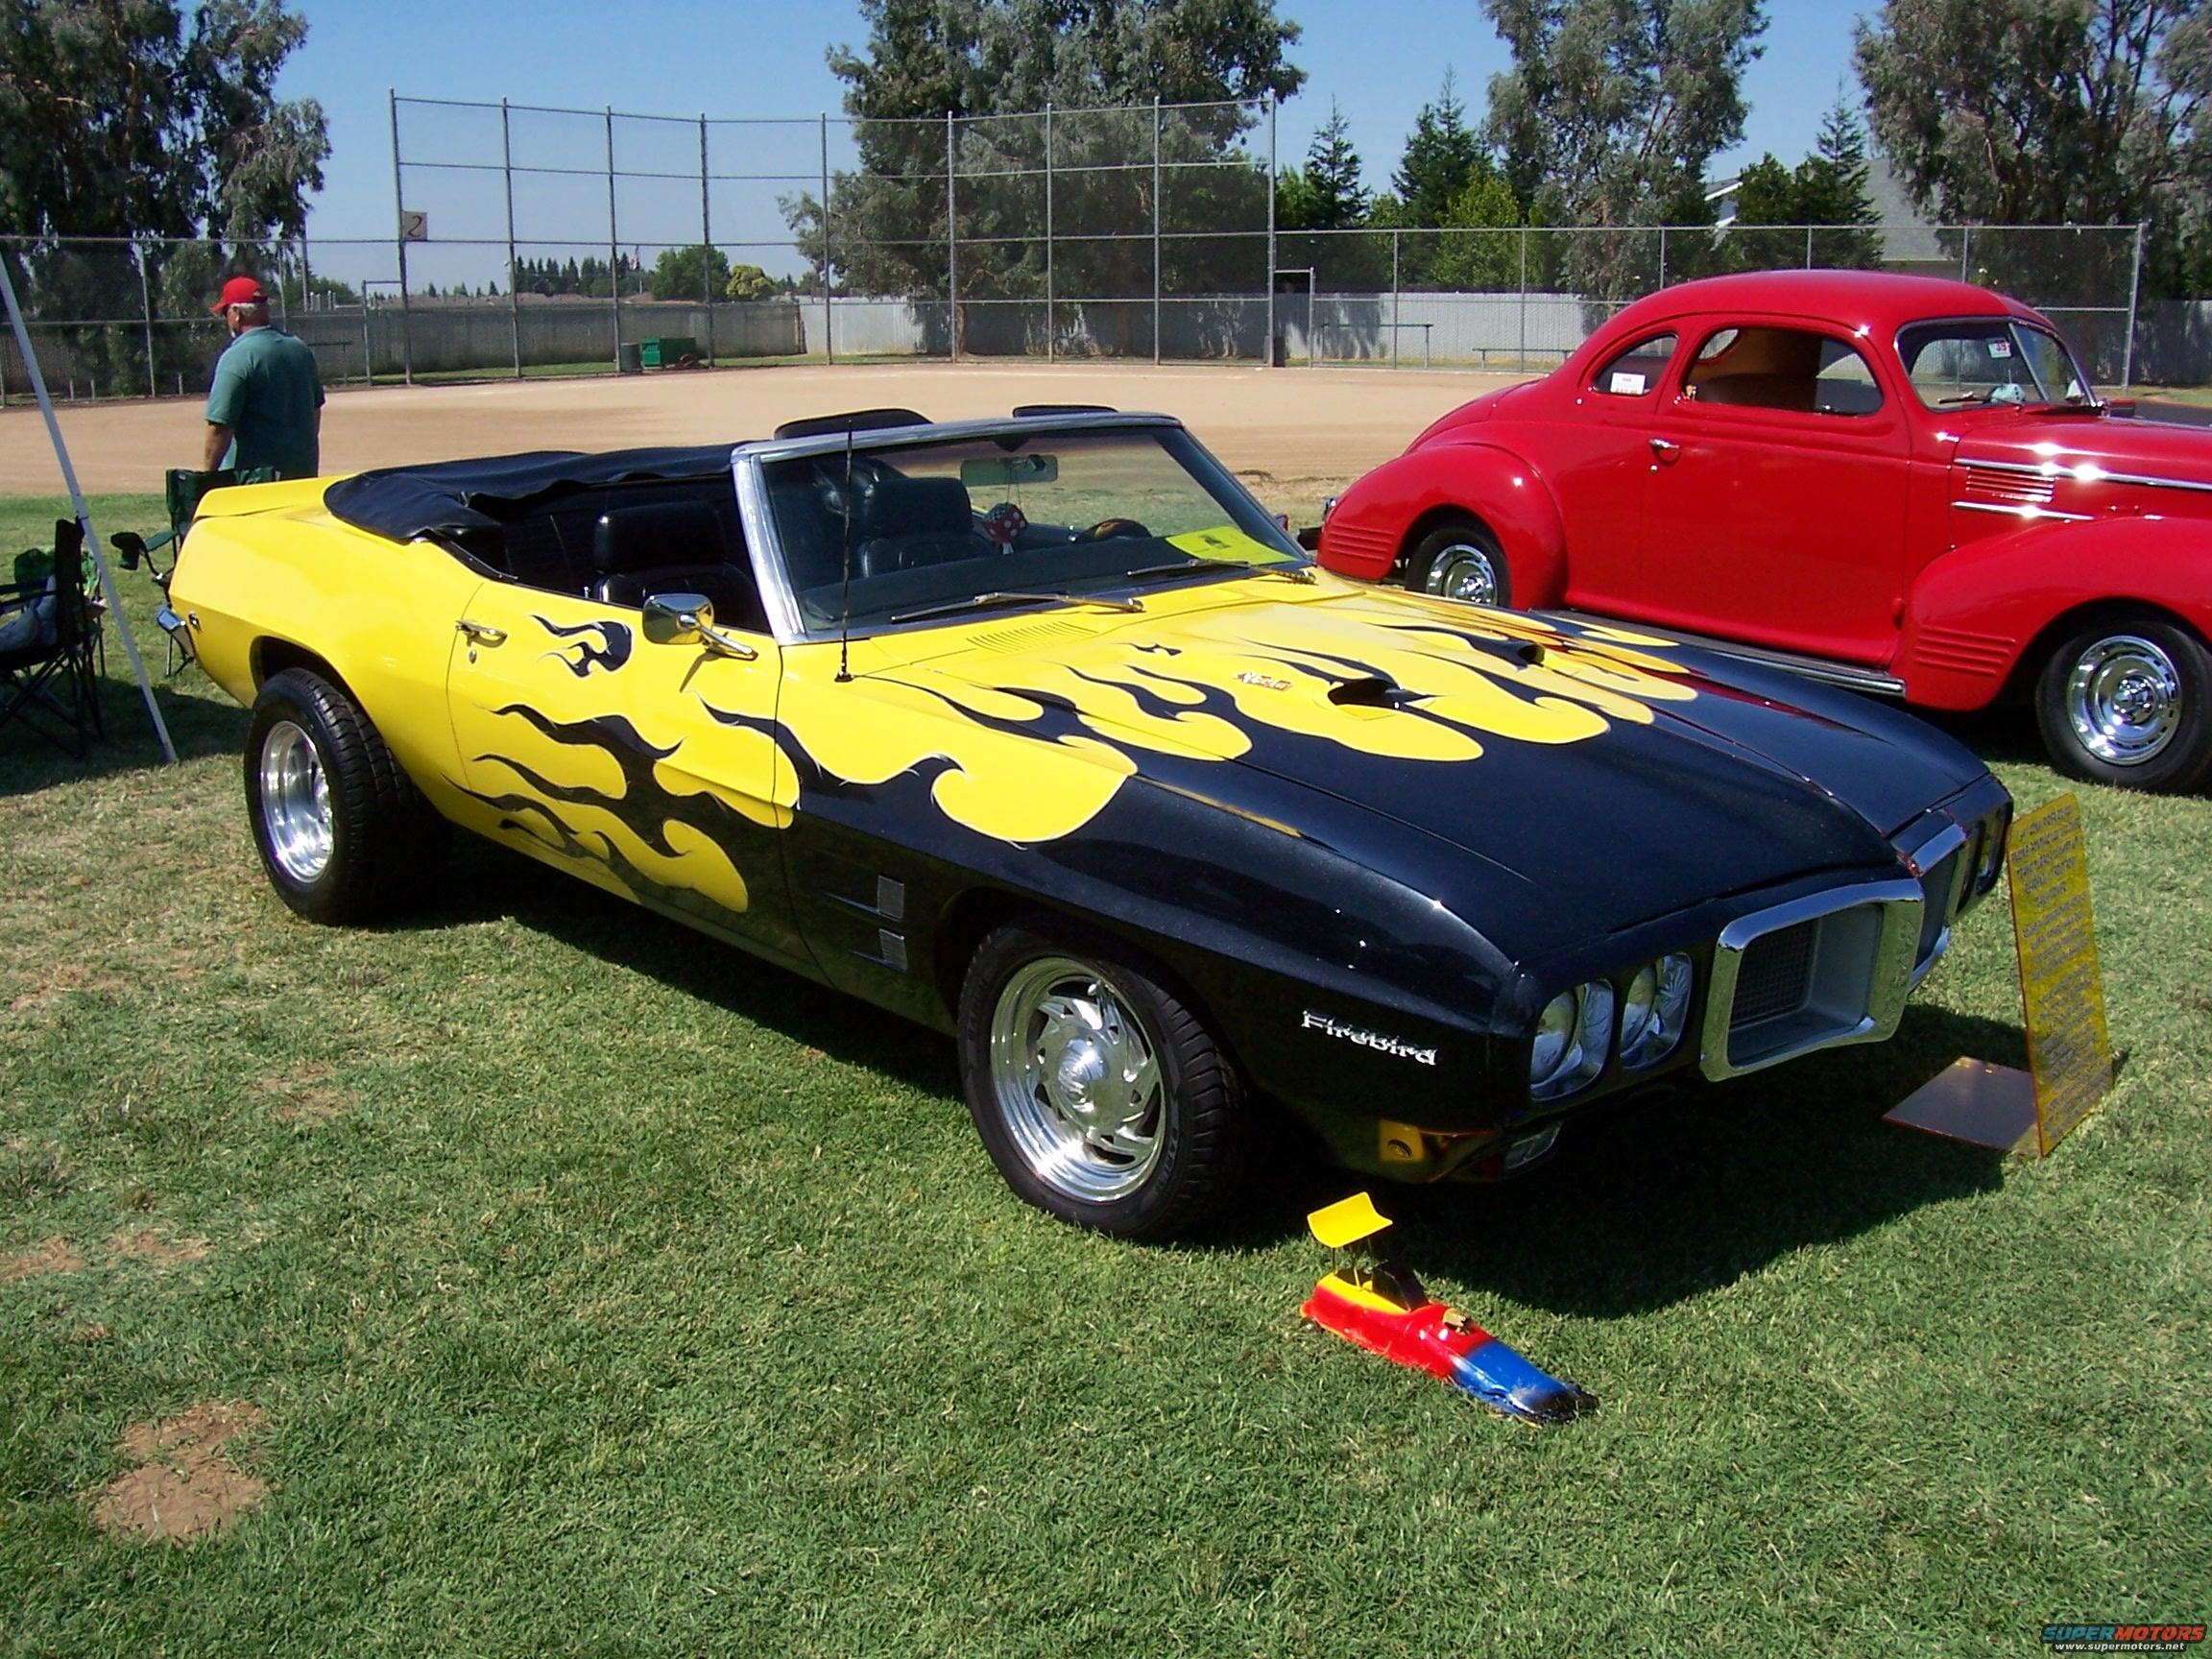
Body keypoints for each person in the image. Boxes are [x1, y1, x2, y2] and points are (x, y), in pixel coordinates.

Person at [202, 275, 325, 479]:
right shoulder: (299, 349)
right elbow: (315, 412)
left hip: (255, 482)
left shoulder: (237, 357)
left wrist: (207, 476)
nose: (226, 319)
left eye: (225, 312)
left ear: (237, 314)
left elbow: (219, 427)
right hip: (302, 475)